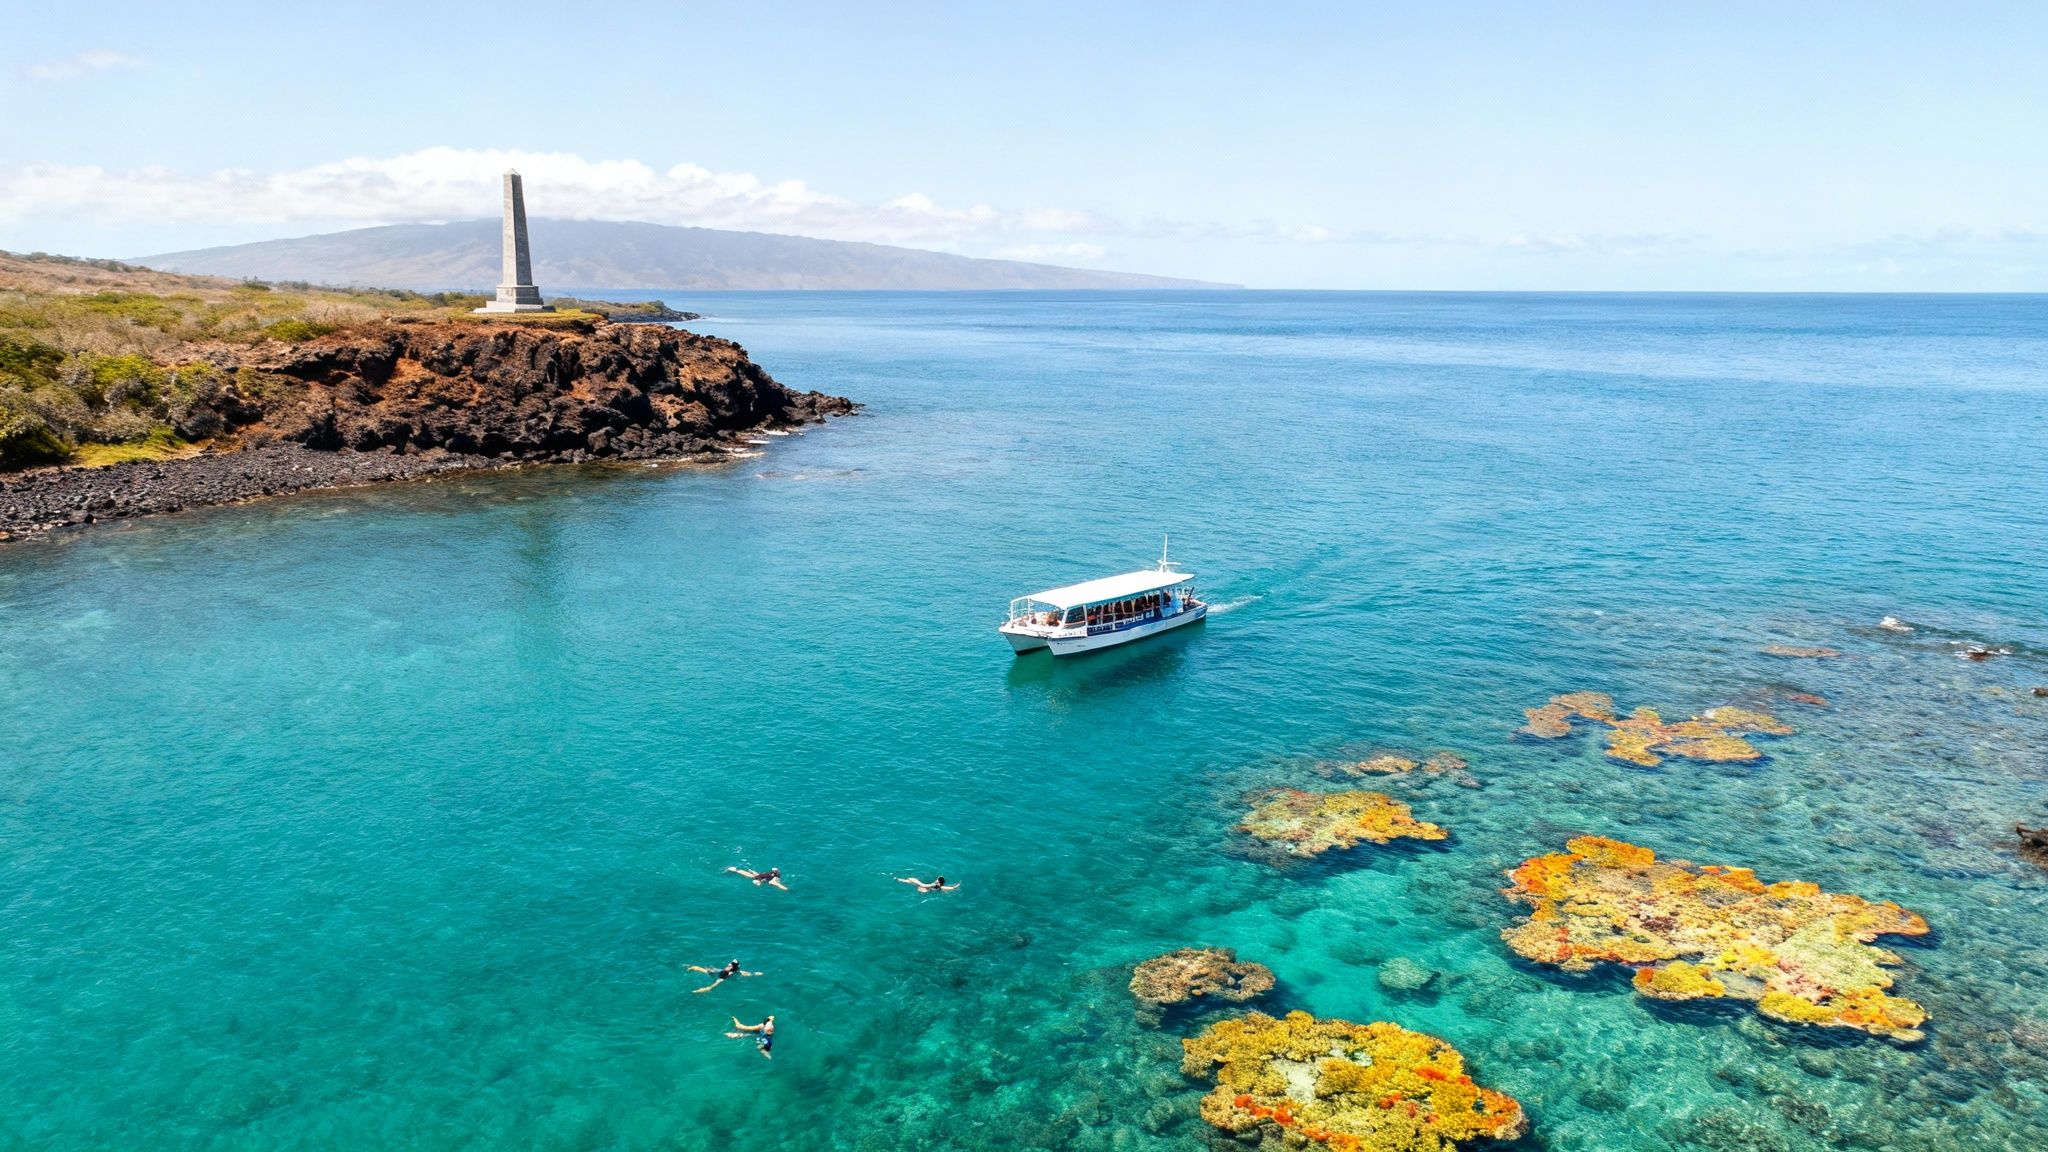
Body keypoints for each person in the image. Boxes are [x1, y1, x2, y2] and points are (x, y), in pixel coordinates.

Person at [686, 958, 762, 994]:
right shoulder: (736, 970)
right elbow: (745, 973)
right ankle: (690, 967)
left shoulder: (730, 972)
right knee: (701, 968)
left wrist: (704, 989)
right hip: (719, 972)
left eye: (731, 964)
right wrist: (755, 974)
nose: (729, 964)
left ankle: (694, 991)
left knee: (710, 985)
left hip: (720, 977)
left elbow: (718, 981)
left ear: (733, 967)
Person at [895, 874, 960, 893]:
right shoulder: (939, 887)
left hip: (922, 887)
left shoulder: (935, 884)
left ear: (939, 881)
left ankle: (897, 879)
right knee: (908, 881)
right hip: (926, 889)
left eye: (937, 879)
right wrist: (954, 887)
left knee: (910, 881)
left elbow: (923, 885)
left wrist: (914, 880)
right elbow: (946, 888)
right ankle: (898, 879)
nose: (936, 879)